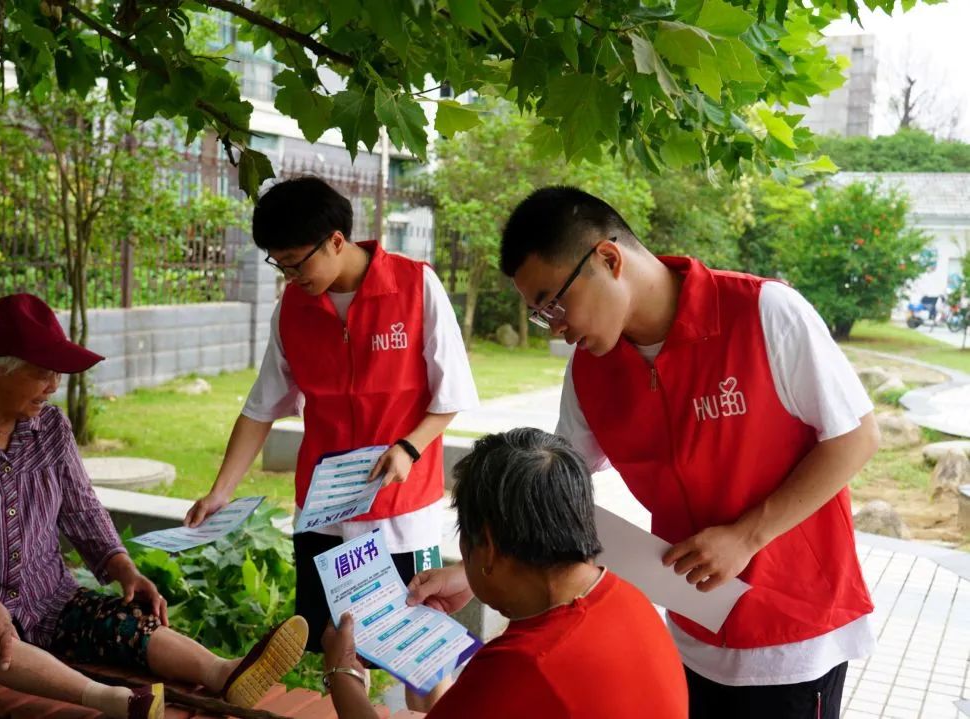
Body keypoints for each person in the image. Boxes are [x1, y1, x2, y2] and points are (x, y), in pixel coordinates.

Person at [482, 186, 878, 718]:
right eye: (538, 312)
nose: (555, 325)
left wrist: (746, 536)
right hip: (691, 626)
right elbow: (554, 486)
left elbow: (856, 438)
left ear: (608, 257)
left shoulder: (763, 313)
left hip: (793, 634)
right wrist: (478, 565)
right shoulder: (590, 370)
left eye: (554, 301)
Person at [0, 294, 308, 719]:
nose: (55, 384)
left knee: (125, 620)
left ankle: (225, 673)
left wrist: (120, 565)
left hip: (50, 602)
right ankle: (114, 701)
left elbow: (82, 509)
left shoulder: (50, 427)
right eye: (42, 372)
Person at [185, 176, 478, 710]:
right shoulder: (293, 310)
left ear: (337, 241)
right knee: (336, 643)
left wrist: (409, 448)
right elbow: (259, 409)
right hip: (324, 512)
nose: (291, 277)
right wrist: (220, 491)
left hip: (401, 510)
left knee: (418, 649)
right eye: (281, 264)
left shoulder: (416, 288)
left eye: (298, 262)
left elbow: (452, 393)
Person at [321, 428, 689, 719]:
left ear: (490, 548)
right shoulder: (629, 599)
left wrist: (343, 675)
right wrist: (471, 575)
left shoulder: (523, 665)